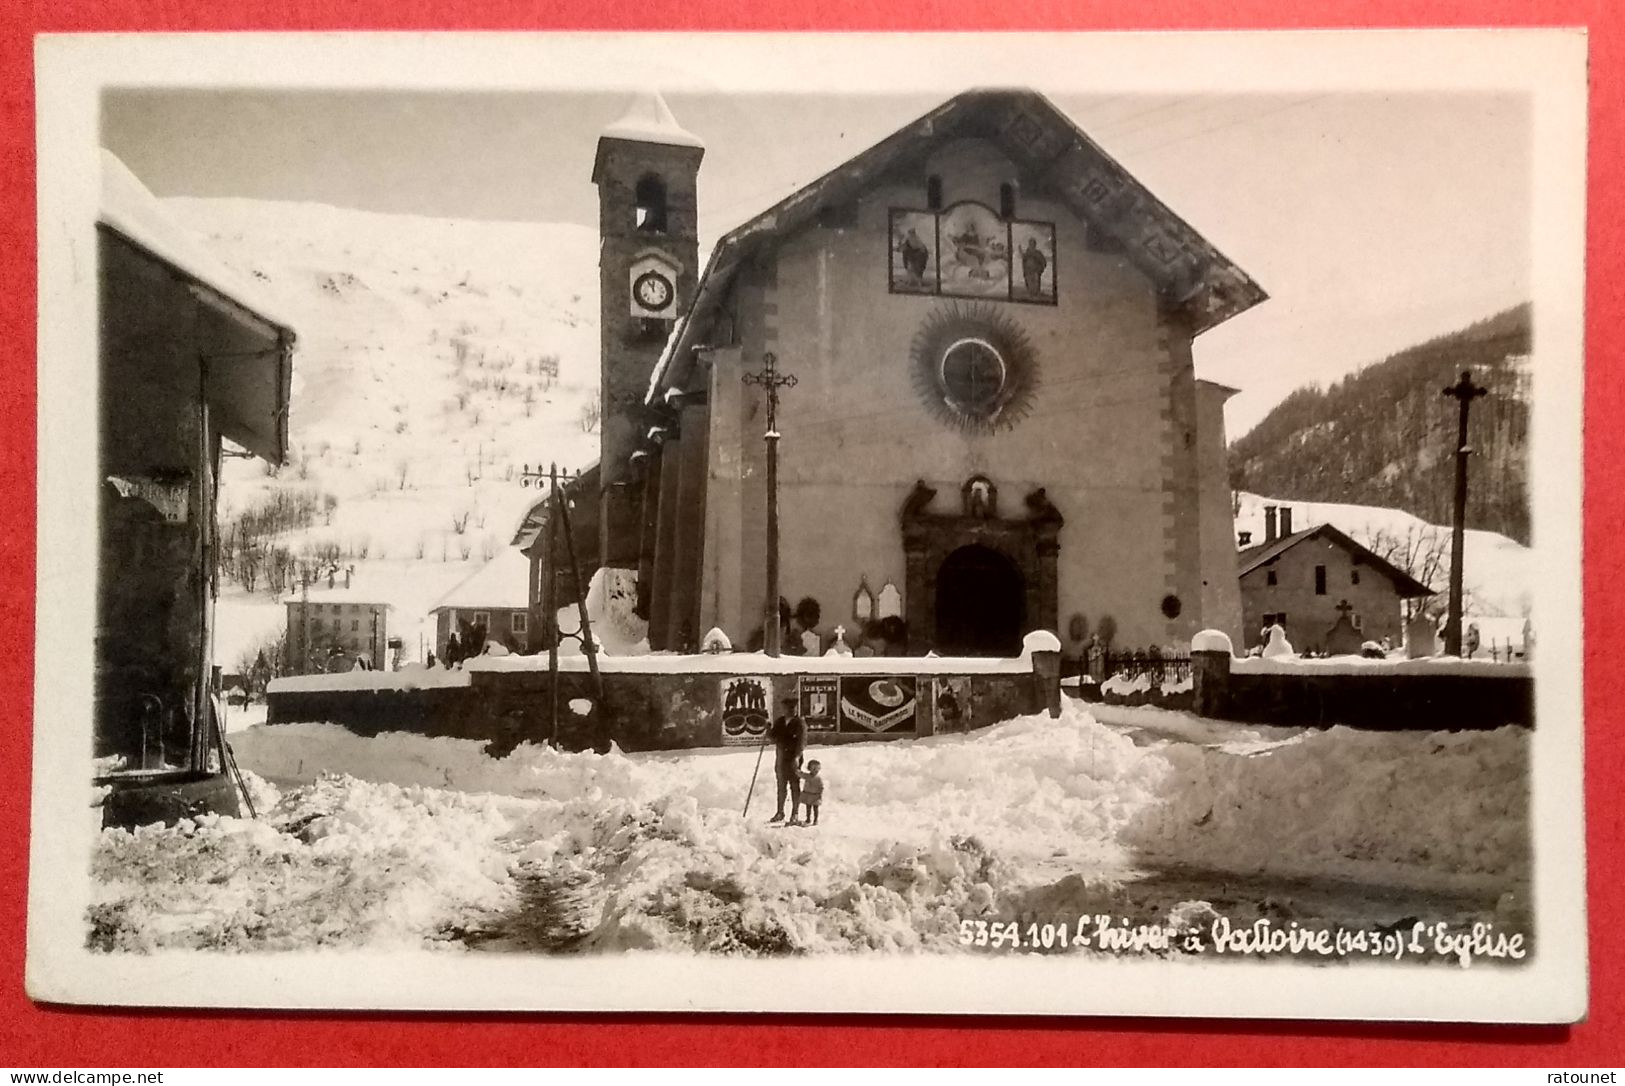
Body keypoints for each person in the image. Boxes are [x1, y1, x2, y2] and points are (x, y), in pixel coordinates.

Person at [767, 694, 807, 824]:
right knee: (781, 786)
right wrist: (767, 730)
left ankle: (795, 813)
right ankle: (780, 812)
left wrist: (797, 757)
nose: (790, 710)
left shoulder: (799, 723)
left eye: (792, 708)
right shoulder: (780, 722)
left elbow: (802, 742)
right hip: (781, 759)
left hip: (793, 759)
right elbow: (773, 737)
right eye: (787, 708)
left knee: (794, 786)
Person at [798, 759, 825, 826]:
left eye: (817, 769)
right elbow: (801, 775)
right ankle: (808, 819)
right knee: (808, 808)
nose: (816, 770)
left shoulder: (818, 778)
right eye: (814, 769)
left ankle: (815, 820)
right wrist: (797, 771)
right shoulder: (808, 776)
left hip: (815, 795)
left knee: (815, 809)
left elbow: (821, 787)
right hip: (808, 795)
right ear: (809, 769)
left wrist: (820, 793)